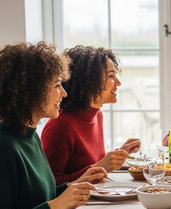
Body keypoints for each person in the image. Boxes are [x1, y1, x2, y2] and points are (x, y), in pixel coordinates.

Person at [0, 42, 108, 209]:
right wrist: (55, 206)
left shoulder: (30, 135)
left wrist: (75, 185)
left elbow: (39, 199)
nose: (64, 94)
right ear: (31, 91)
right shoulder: (4, 146)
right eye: (57, 85)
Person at [41, 46, 141, 185]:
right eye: (111, 76)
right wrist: (100, 167)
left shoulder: (97, 115)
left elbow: (90, 164)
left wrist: (119, 154)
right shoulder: (60, 126)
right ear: (89, 81)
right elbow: (51, 186)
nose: (118, 83)